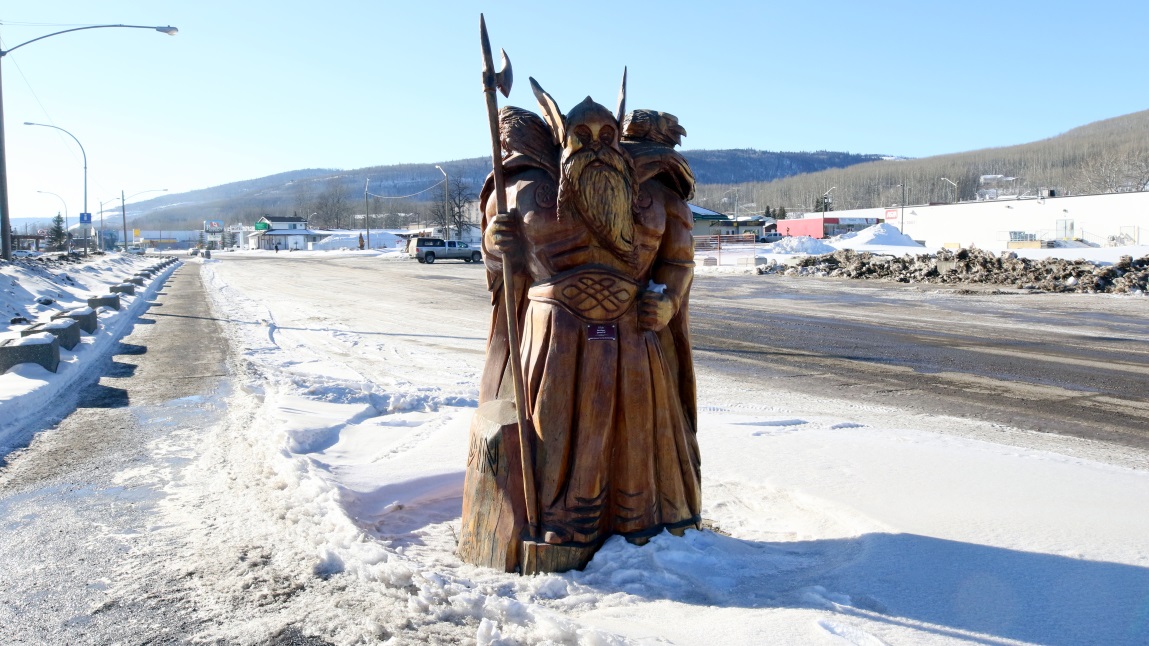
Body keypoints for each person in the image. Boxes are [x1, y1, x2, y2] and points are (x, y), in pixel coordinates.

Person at [477, 91, 700, 549]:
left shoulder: (659, 195)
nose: (596, 144)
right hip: (557, 331)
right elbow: (502, 266)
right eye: (582, 135)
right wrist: (495, 244)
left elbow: (679, 263)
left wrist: (669, 302)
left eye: (606, 135)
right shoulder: (520, 190)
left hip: (635, 332)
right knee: (557, 430)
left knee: (635, 427)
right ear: (564, 139)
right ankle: (566, 518)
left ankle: (642, 516)